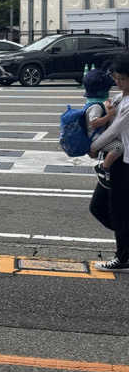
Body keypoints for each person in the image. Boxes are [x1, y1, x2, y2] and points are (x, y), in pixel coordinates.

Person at [89, 54, 129, 272]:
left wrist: (94, 147)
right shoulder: (119, 98)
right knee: (99, 207)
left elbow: (115, 130)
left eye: (122, 79)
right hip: (116, 160)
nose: (118, 82)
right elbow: (106, 112)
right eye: (116, 78)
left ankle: (124, 257)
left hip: (125, 162)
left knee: (119, 210)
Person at [80, 68, 123, 187]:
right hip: (96, 138)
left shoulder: (93, 102)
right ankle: (103, 168)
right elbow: (94, 123)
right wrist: (109, 115)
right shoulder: (96, 106)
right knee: (119, 147)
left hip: (98, 137)